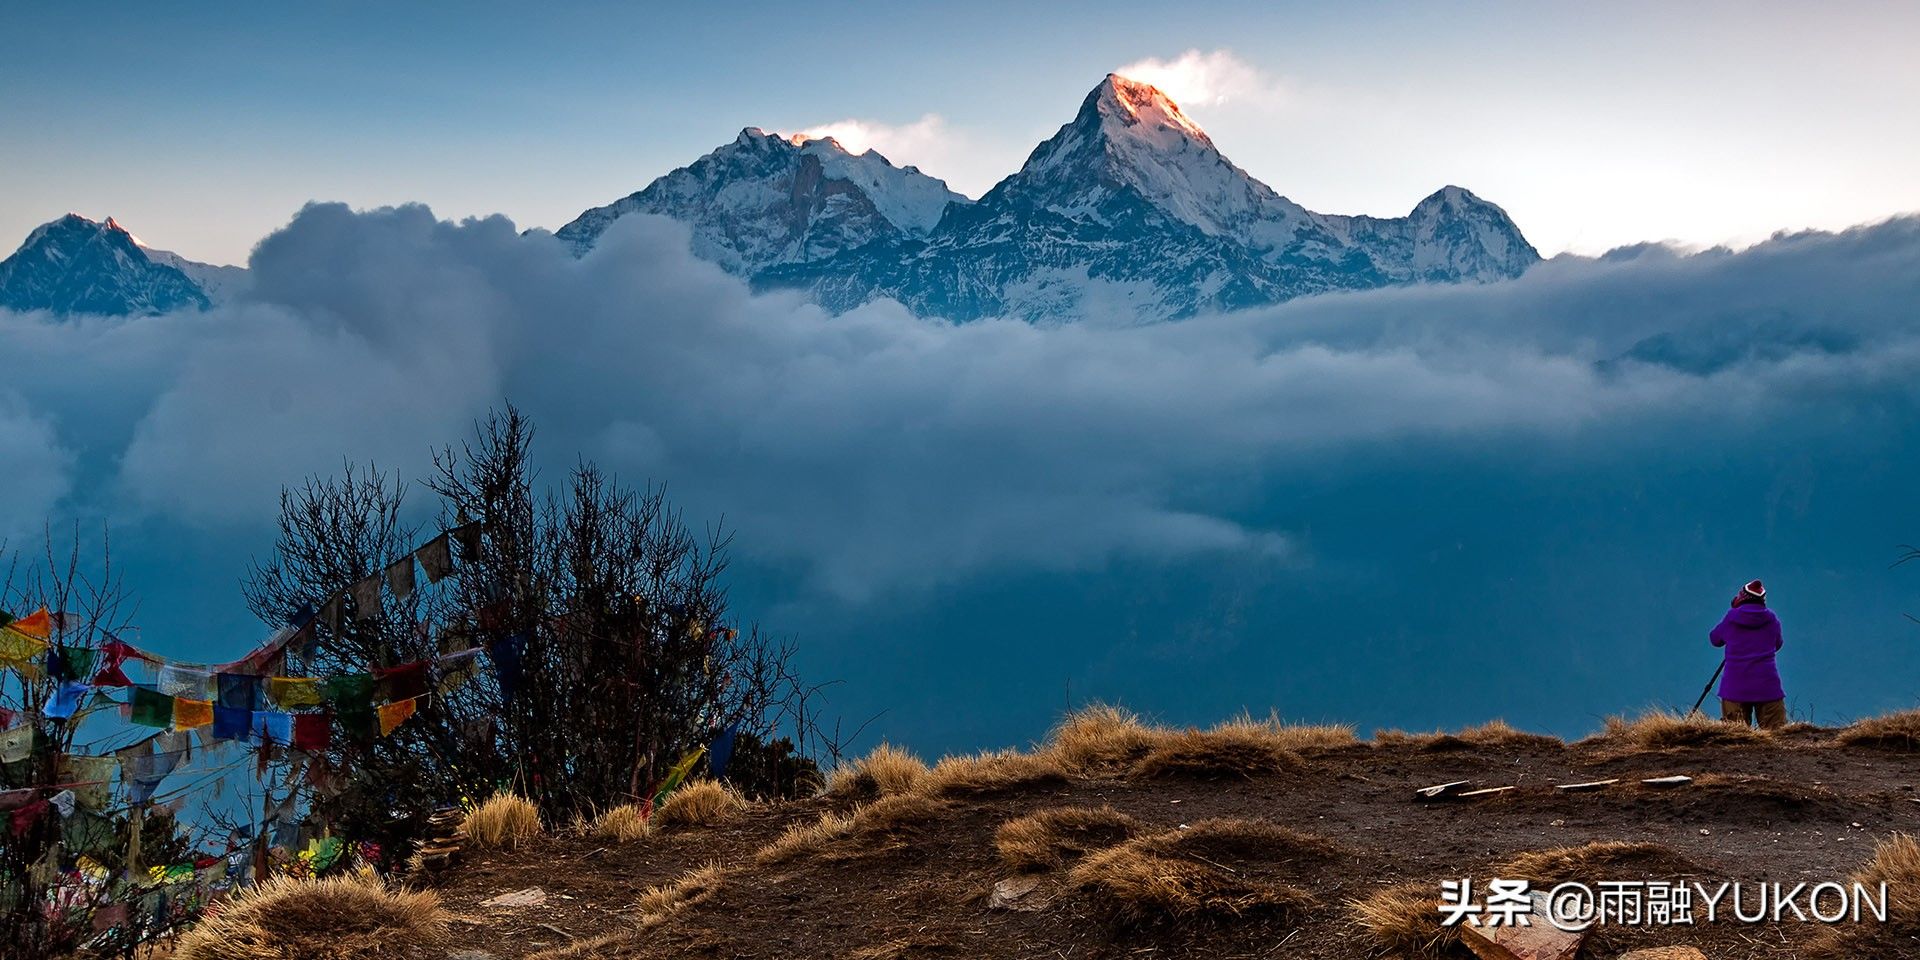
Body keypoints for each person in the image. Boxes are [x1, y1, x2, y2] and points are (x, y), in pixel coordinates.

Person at [1710, 579, 1787, 729]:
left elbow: (1715, 639)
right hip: (1767, 685)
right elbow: (1777, 644)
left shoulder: (1732, 618)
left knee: (1735, 737)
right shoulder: (1772, 620)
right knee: (1777, 736)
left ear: (1741, 597)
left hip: (1734, 686)